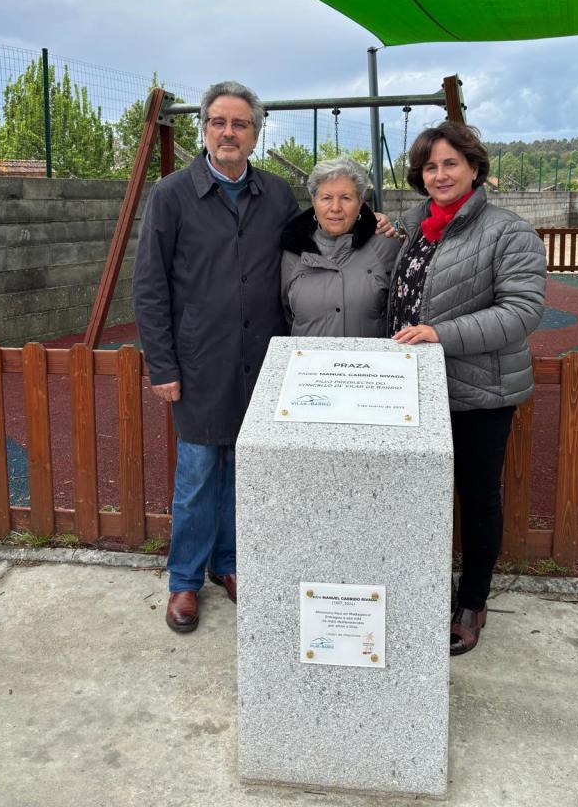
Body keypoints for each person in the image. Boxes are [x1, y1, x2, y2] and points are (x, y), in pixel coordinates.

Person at [133, 80, 299, 634]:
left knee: (243, 470)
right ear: (204, 128)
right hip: (200, 361)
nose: (229, 133)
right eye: (219, 122)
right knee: (199, 474)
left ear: (256, 133)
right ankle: (184, 580)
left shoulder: (277, 195)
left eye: (240, 124)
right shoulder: (172, 194)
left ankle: (228, 563)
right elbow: (150, 286)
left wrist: (379, 228)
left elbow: (317, 244)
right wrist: (163, 365)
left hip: (263, 360)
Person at [389, 122, 546, 655]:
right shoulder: (416, 227)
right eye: (430, 167)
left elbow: (521, 311)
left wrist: (439, 334)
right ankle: (420, 588)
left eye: (450, 164)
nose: (439, 175)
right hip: (416, 389)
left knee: (476, 497)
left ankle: (472, 600)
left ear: (475, 168)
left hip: (478, 391)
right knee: (418, 495)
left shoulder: (508, 231)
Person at [281, 157, 399, 337]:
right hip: (307, 356)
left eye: (346, 198)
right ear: (314, 201)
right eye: (326, 198)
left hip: (370, 355)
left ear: (360, 203)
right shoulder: (293, 252)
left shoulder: (385, 244)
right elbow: (286, 314)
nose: (335, 208)